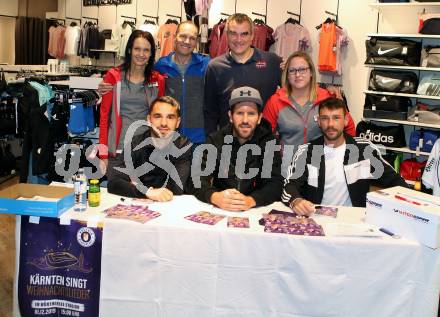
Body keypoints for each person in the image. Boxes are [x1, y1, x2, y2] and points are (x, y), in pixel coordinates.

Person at [282, 97, 407, 216]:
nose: (330, 124)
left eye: (336, 118)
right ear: (319, 121)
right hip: (316, 219)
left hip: (354, 221)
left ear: (346, 120)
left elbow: (395, 180)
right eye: (325, 118)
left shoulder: (364, 149)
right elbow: (289, 186)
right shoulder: (306, 152)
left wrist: (412, 204)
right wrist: (296, 201)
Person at [192, 86, 283, 211]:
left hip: (256, 210)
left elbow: (275, 184)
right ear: (230, 116)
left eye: (251, 114)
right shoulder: (215, 140)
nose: (245, 120)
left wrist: (251, 200)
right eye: (239, 113)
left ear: (259, 117)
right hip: (221, 208)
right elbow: (197, 177)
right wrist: (214, 196)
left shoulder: (269, 142)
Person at [204, 13, 282, 136]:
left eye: (244, 34)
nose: (238, 39)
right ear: (226, 35)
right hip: (228, 145)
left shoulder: (272, 62)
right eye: (233, 33)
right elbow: (210, 113)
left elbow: (291, 96)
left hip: (264, 144)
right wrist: (212, 145)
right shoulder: (215, 67)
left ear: (252, 36)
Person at [98, 30, 165, 170]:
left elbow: (160, 118)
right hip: (118, 151)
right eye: (137, 49)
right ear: (129, 50)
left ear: (151, 53)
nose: (141, 54)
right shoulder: (113, 77)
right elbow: (104, 118)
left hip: (146, 152)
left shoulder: (157, 80)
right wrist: (103, 155)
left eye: (146, 50)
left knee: (144, 192)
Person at [263, 51, 356, 150]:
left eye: (302, 69)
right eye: (292, 70)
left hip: (319, 162)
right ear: (287, 75)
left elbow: (349, 127)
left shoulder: (327, 97)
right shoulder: (276, 101)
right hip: (287, 163)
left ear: (311, 72)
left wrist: (344, 154)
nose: (297, 74)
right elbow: (264, 136)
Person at [107, 96, 192, 202]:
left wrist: (134, 186)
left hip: (171, 208)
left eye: (170, 117)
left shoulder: (183, 146)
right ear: (149, 119)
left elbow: (175, 190)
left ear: (178, 122)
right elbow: (114, 182)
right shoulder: (135, 143)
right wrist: (147, 192)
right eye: (158, 116)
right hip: (140, 208)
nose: (163, 123)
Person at [154, 21, 210, 144]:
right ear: (175, 37)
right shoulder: (161, 65)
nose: (187, 41)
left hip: (199, 139)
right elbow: (138, 73)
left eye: (192, 38)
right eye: (183, 36)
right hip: (169, 138)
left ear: (196, 42)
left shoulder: (206, 64)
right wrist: (111, 83)